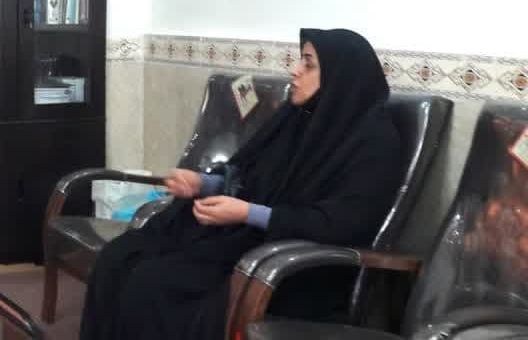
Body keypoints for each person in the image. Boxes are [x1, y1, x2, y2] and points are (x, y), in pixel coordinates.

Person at [79, 28, 404, 340]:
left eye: (308, 64)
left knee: (155, 283)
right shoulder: (298, 119)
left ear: (340, 77)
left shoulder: (373, 144)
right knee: (120, 257)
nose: (294, 70)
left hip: (298, 270)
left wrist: (248, 213)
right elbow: (250, 176)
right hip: (250, 243)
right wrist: (203, 184)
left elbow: (340, 224)